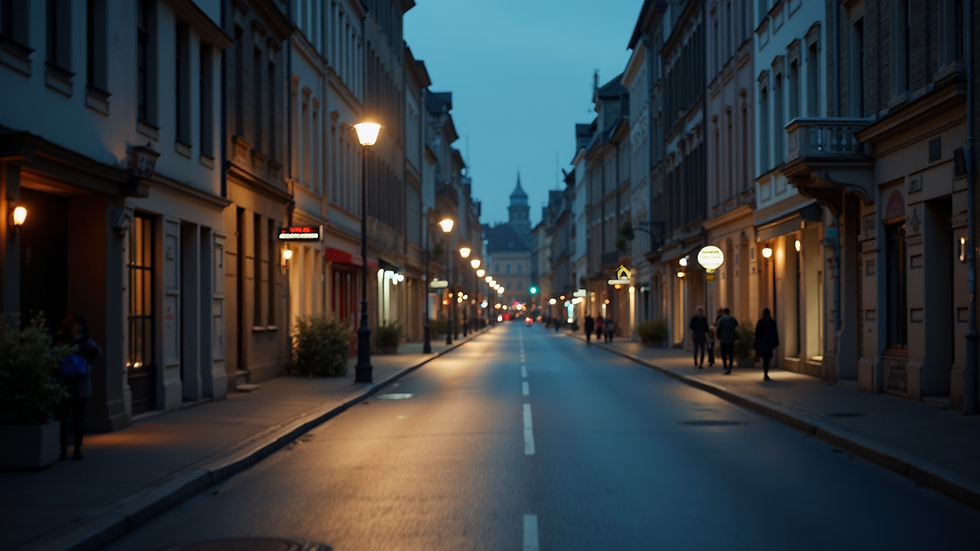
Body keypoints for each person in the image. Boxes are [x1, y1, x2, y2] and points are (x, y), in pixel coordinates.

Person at [55, 314, 102, 461]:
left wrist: (82, 346)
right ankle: (64, 448)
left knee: (77, 418)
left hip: (79, 384)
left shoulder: (85, 340)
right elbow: (55, 353)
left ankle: (77, 448)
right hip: (66, 383)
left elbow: (97, 352)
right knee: (64, 418)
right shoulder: (62, 339)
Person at [754, 308, 780, 381]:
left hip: (762, 343)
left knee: (765, 358)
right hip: (769, 343)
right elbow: (775, 333)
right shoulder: (772, 322)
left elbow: (757, 334)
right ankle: (766, 373)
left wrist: (756, 344)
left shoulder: (761, 322)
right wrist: (776, 342)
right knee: (767, 359)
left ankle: (765, 373)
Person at [715, 307, 739, 375]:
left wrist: (718, 337)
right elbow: (736, 326)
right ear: (729, 312)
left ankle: (725, 365)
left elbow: (718, 329)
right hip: (731, 338)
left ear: (724, 312)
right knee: (731, 353)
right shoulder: (733, 319)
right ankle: (730, 365)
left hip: (723, 338)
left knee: (724, 352)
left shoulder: (721, 319)